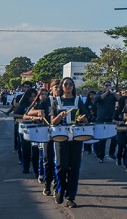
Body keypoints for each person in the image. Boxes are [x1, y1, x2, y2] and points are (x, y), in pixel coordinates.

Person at [50, 77, 90, 207]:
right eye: (65, 84)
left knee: (74, 167)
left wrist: (82, 118)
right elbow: (52, 122)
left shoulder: (78, 101)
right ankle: (60, 189)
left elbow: (86, 119)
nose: (68, 86)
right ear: (61, 87)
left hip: (76, 137)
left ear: (73, 86)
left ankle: (70, 197)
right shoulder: (56, 101)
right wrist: (59, 116)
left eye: (70, 84)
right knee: (62, 166)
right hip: (61, 136)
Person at [93, 81, 118, 163]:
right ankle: (101, 156)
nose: (108, 87)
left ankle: (111, 153)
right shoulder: (99, 94)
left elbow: (120, 100)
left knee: (114, 137)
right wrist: (107, 92)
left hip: (111, 119)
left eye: (109, 85)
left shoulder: (112, 95)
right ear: (103, 86)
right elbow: (98, 99)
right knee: (102, 139)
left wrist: (114, 93)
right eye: (106, 85)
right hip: (101, 119)